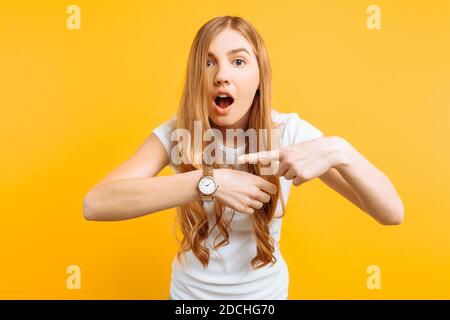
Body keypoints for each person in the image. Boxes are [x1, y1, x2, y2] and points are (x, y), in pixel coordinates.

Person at [83, 16, 404, 300]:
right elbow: (96, 204)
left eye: (238, 62)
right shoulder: (177, 134)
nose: (221, 75)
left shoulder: (289, 132)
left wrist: (341, 151)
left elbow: (391, 213)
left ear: (260, 76)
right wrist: (207, 182)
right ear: (197, 76)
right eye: (208, 63)